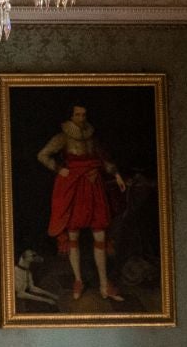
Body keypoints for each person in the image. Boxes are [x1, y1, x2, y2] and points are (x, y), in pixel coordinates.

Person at [37, 104, 126, 304]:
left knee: (100, 234)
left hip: (94, 186)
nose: (81, 117)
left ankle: (104, 285)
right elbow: (42, 155)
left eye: (84, 114)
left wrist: (117, 175)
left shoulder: (92, 137)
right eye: (78, 114)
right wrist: (59, 169)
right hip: (73, 187)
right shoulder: (63, 137)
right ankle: (78, 280)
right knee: (73, 235)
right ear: (71, 116)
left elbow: (104, 160)